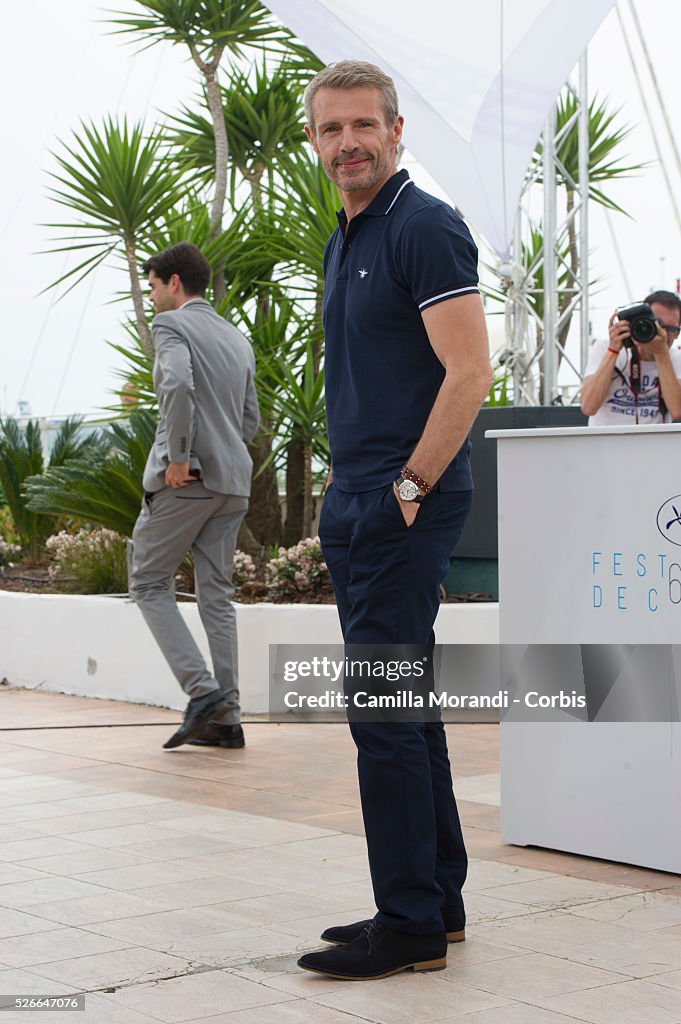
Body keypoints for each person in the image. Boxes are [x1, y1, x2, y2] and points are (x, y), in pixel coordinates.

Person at [296, 61, 492, 981]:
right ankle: (435, 902)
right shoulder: (347, 233)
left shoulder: (422, 225)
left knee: (380, 708)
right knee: (403, 705)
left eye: (362, 127)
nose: (348, 144)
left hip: (403, 499)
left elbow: (469, 372)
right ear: (314, 140)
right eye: (331, 130)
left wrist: (403, 492)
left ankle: (407, 921)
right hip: (363, 499)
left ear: (396, 128)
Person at [129, 242, 259, 751]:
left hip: (189, 480)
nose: (153, 295)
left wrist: (179, 456)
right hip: (232, 483)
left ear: (175, 282)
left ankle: (201, 690)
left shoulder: (170, 326)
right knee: (217, 598)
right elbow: (248, 419)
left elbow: (178, 385)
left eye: (155, 285)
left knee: (147, 581)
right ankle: (227, 720)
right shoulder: (236, 338)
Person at [581, 290, 681, 425]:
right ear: (642, 321)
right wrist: (613, 351)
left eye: (672, 329)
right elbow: (588, 407)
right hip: (605, 442)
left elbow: (677, 411)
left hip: (654, 443)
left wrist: (661, 354)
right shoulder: (605, 347)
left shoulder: (676, 358)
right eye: (658, 325)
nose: (663, 333)